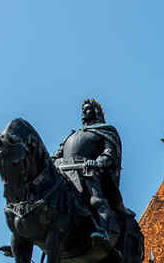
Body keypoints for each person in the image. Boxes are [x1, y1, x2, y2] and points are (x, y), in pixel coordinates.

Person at [52, 98, 125, 240]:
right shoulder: (72, 135)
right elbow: (57, 154)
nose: (83, 113)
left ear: (95, 112)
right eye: (83, 110)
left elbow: (109, 154)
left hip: (88, 173)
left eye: (87, 109)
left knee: (96, 201)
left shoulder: (105, 131)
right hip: (65, 172)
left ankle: (105, 233)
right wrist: (51, 161)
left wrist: (97, 162)